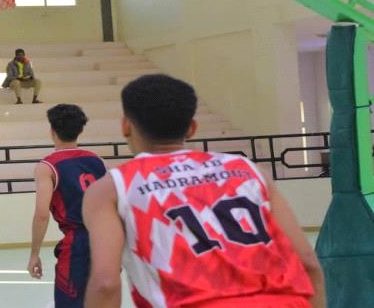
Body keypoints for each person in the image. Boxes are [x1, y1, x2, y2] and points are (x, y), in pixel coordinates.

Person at [82, 75, 326, 308]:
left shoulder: (113, 186)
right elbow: (307, 262)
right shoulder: (248, 170)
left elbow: (106, 283)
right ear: (192, 128)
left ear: (126, 126)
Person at [27, 104, 106, 307]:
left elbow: (42, 214)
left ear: (52, 131)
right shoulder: (97, 160)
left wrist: (34, 254)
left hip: (77, 243)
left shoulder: (47, 166)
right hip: (105, 239)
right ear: (80, 130)